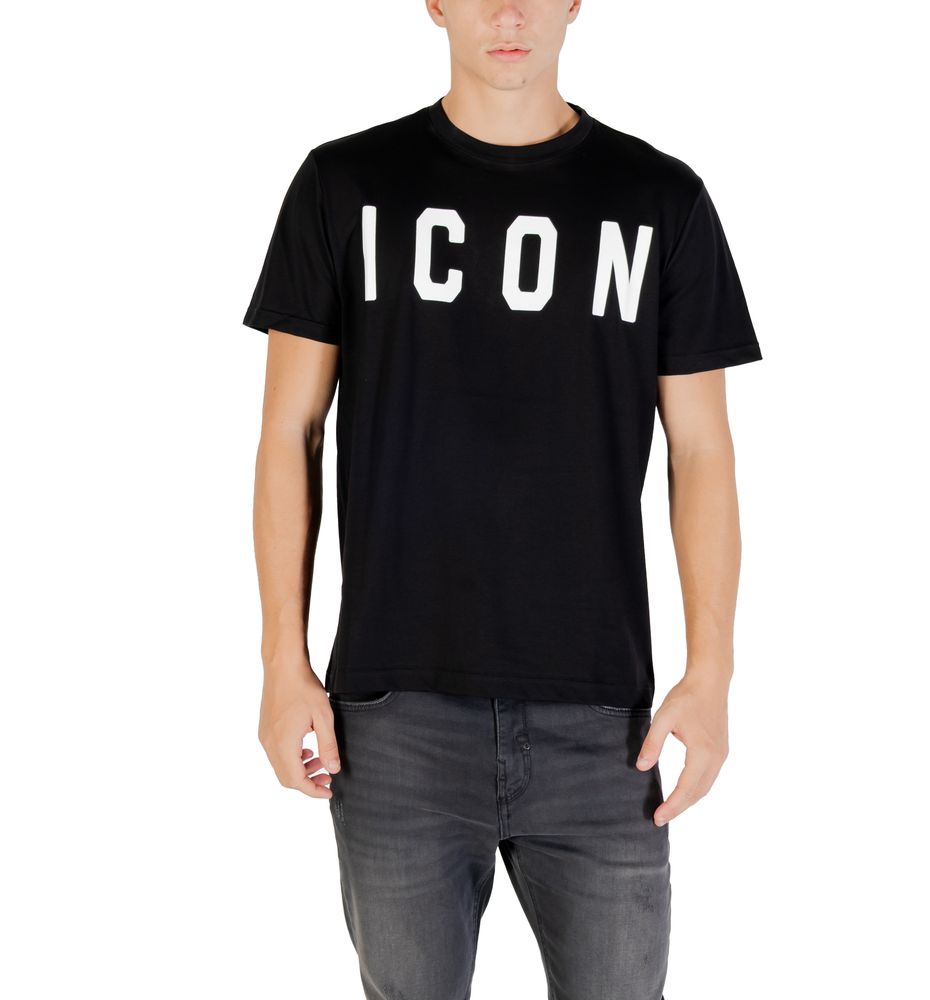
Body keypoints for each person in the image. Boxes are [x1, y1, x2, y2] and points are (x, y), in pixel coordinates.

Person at [242, 2, 762, 996]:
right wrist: (280, 660)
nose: (509, 11)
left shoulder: (661, 200)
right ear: (434, 3)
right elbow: (287, 433)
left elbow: (701, 450)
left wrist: (711, 672)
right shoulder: (344, 185)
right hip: (394, 715)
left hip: (604, 722)